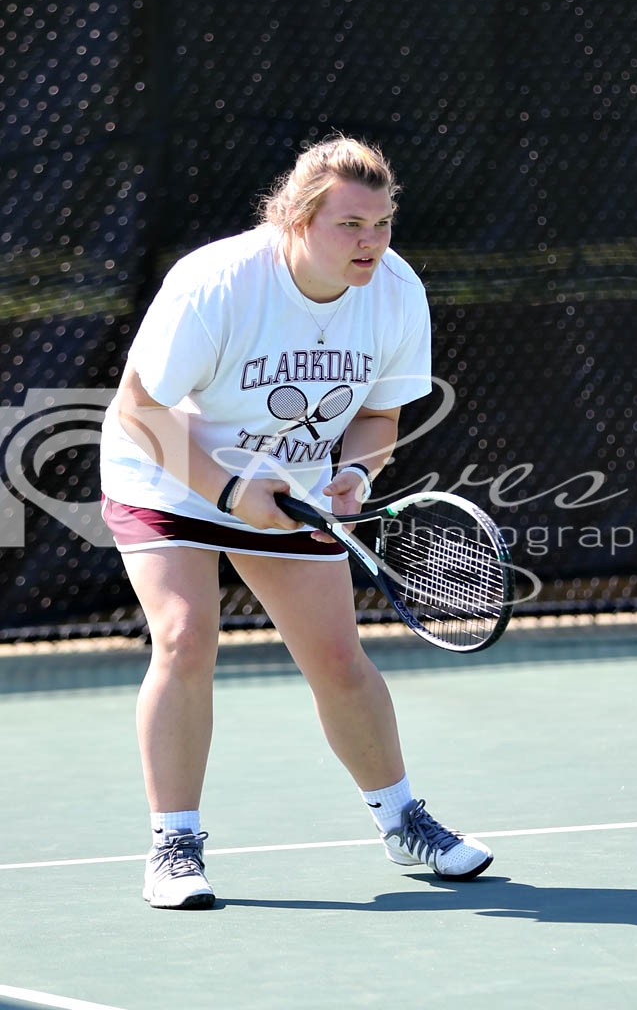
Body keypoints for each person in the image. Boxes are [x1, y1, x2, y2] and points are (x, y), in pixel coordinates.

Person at [99, 134, 493, 910]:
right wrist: (228, 490)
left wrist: (352, 477)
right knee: (183, 637)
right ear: (296, 220)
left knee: (339, 661)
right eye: (349, 225)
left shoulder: (394, 289)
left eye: (380, 224)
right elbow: (137, 409)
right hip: (166, 475)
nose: (370, 242)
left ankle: (403, 820)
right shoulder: (217, 283)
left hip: (292, 487)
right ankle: (173, 847)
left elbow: (378, 413)